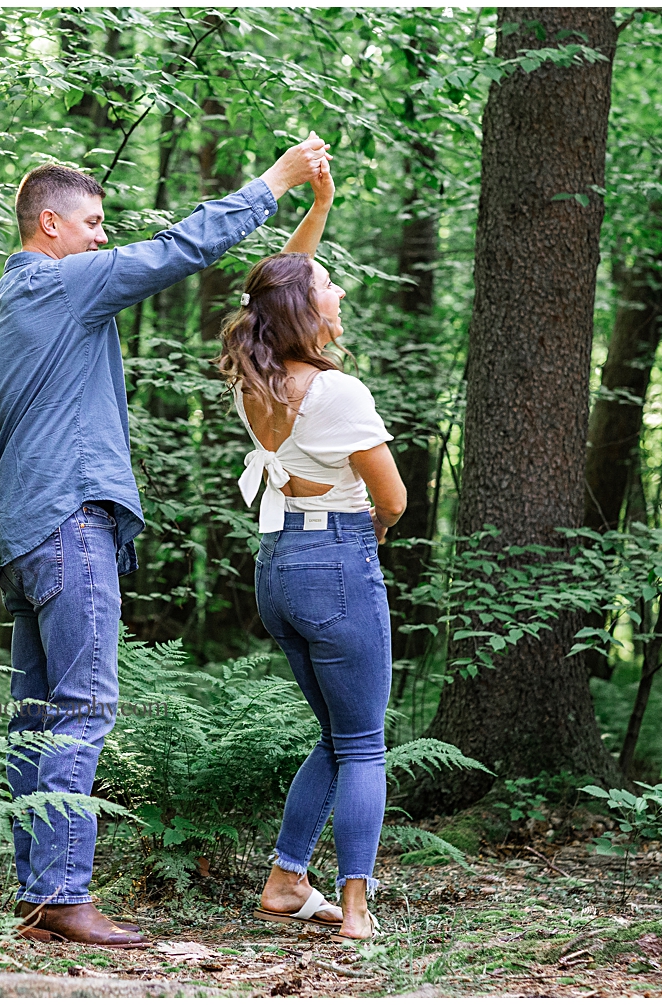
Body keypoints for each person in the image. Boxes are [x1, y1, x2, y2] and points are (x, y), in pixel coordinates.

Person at [0, 134, 333, 946]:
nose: (104, 237)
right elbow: (180, 249)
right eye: (93, 223)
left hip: (19, 538)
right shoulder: (62, 286)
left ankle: (36, 890)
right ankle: (62, 892)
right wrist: (276, 180)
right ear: (49, 224)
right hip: (68, 523)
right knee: (83, 708)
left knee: (35, 717)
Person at [215, 164, 406, 943]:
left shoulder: (252, 377)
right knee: (363, 743)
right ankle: (355, 907)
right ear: (305, 311)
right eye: (329, 286)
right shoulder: (339, 393)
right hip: (337, 563)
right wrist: (378, 531)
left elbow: (275, 289)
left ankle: (287, 879)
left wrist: (320, 205)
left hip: (278, 568)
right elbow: (392, 499)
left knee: (337, 736)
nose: (339, 295)